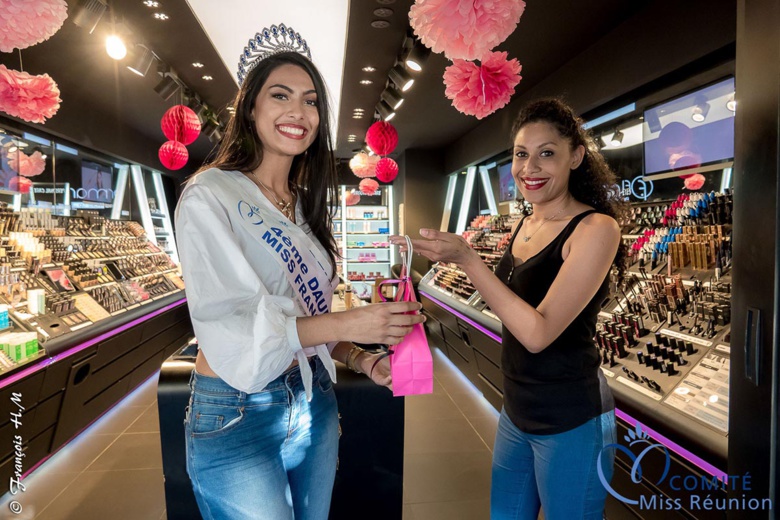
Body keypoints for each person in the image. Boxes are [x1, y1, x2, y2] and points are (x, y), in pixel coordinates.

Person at [175, 38, 424, 520]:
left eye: (311, 100)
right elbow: (234, 325)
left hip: (313, 400)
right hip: (236, 411)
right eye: (280, 95)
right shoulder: (211, 194)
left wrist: (360, 357)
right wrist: (349, 324)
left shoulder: (304, 206)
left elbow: (307, 322)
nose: (299, 111)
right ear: (250, 109)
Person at [393, 98, 625, 519]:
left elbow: (537, 334)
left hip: (572, 418)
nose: (529, 168)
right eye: (521, 154)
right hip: (516, 409)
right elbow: (509, 308)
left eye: (546, 154)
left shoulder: (596, 229)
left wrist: (467, 258)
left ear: (575, 157)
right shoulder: (525, 223)